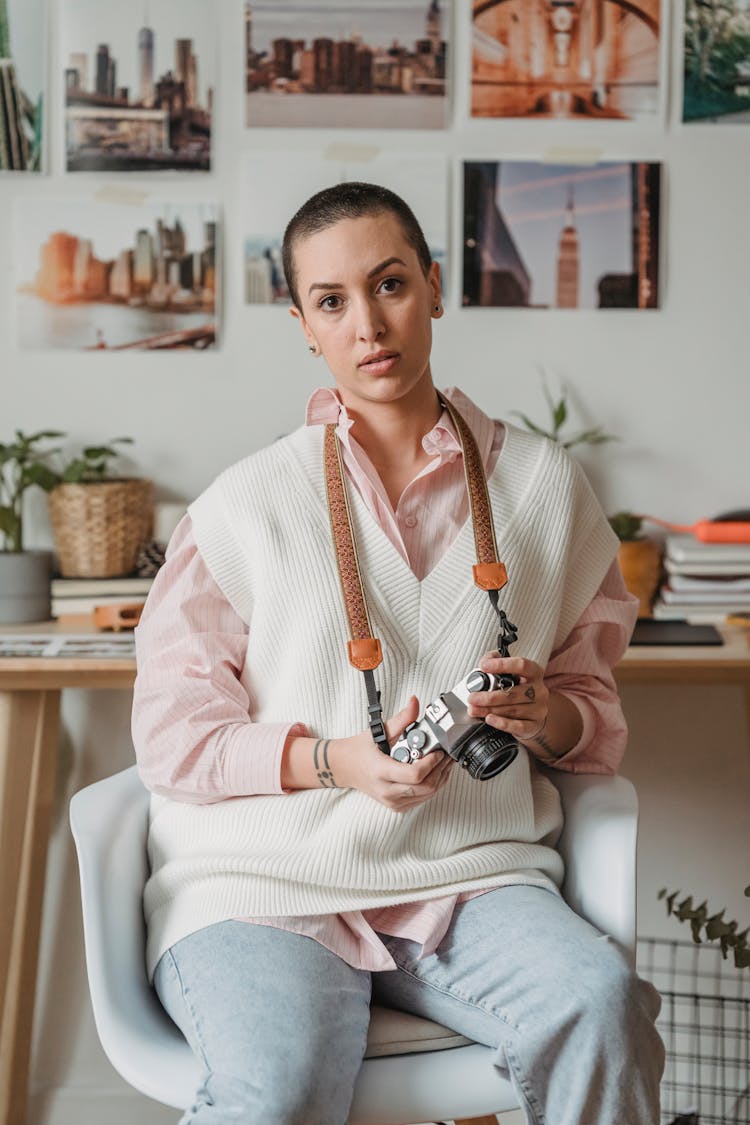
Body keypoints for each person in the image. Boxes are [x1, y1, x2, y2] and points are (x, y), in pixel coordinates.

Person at [132, 181, 664, 1124]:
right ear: (302, 323)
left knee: (599, 1003)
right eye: (332, 302)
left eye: (390, 285)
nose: (369, 325)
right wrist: (337, 761)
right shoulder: (242, 505)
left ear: (435, 287)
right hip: (264, 883)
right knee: (278, 1085)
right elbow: (175, 739)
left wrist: (550, 714)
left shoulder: (545, 487)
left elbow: (591, 707)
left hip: (470, 873)